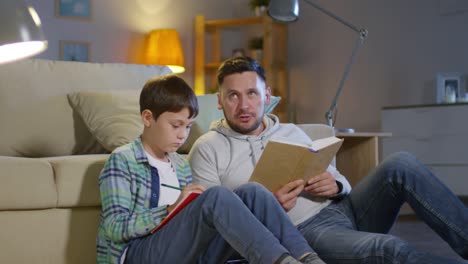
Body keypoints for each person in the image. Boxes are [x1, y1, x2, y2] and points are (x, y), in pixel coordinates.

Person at [188, 56, 468, 264]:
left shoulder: (290, 131)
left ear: (267, 96)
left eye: (252, 93)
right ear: (220, 101)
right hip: (305, 232)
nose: (244, 105)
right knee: (392, 249)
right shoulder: (207, 148)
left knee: (401, 163)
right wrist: (269, 208)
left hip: (344, 209)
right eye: (233, 96)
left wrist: (335, 186)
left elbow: (339, 178)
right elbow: (214, 224)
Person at [96, 74, 326, 264]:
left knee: (253, 192)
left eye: (187, 127)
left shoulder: (180, 164)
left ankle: (309, 259)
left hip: (184, 254)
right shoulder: (123, 160)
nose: (182, 135)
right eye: (175, 125)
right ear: (147, 117)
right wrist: (169, 210)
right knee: (216, 195)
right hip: (139, 255)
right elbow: (114, 227)